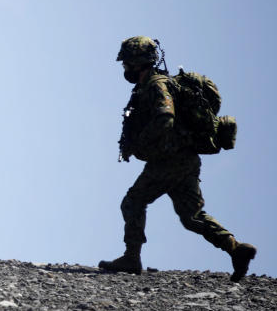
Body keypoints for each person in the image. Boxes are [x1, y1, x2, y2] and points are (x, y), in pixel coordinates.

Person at [100, 36, 256, 282]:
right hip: (186, 160)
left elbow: (166, 117)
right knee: (191, 216)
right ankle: (235, 248)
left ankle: (131, 258)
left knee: (132, 201)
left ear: (137, 62)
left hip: (169, 160)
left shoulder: (156, 85)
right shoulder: (152, 85)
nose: (125, 68)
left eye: (127, 63)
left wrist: (141, 142)